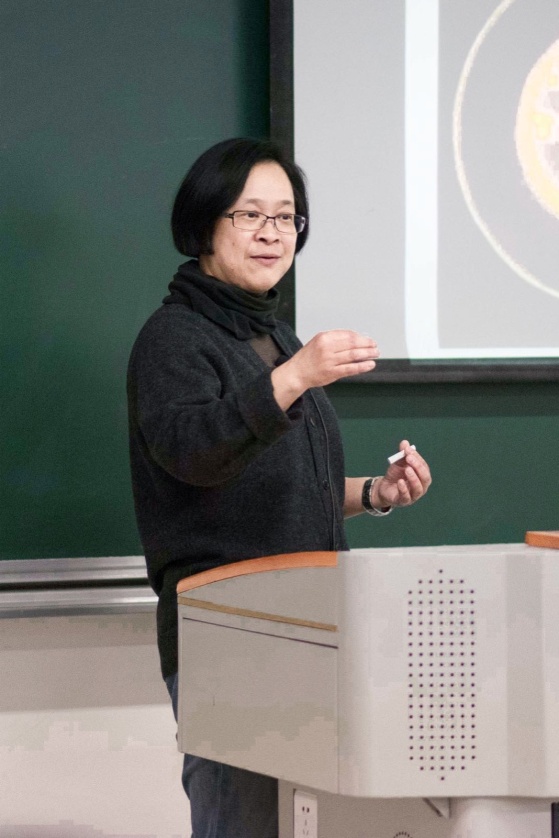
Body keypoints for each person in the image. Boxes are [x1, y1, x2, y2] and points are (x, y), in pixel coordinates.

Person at [127, 137, 432, 838]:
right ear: (205, 224)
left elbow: (277, 482)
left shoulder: (272, 337)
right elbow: (195, 455)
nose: (271, 234)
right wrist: (294, 378)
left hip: (310, 629)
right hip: (230, 634)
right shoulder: (174, 338)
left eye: (286, 216)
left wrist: (375, 493)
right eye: (249, 215)